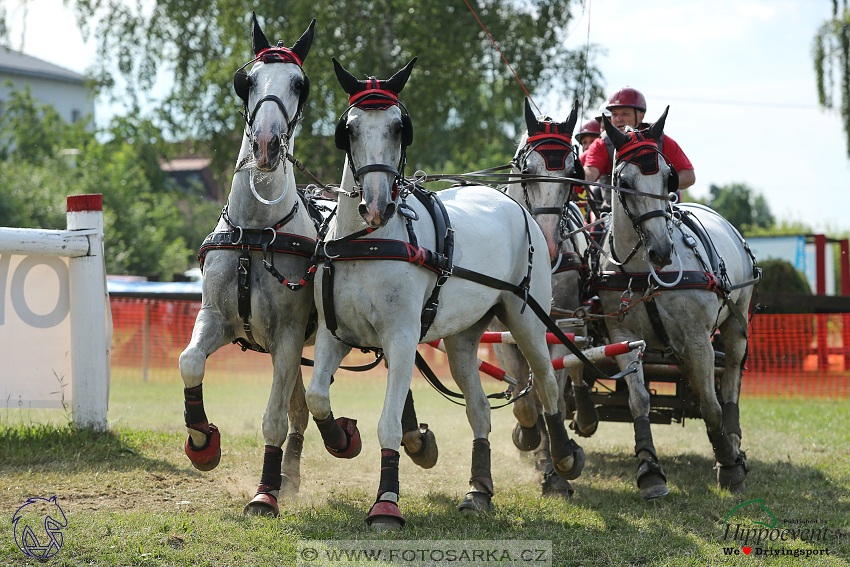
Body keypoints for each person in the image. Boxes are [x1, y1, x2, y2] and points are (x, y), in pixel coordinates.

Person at [581, 87, 695, 207]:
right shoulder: (602, 143)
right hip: (612, 215)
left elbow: (689, 176)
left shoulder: (659, 140)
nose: (618, 119)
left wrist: (659, 182)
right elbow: (590, 173)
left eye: (625, 113)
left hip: (658, 213)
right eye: (614, 114)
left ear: (640, 116)